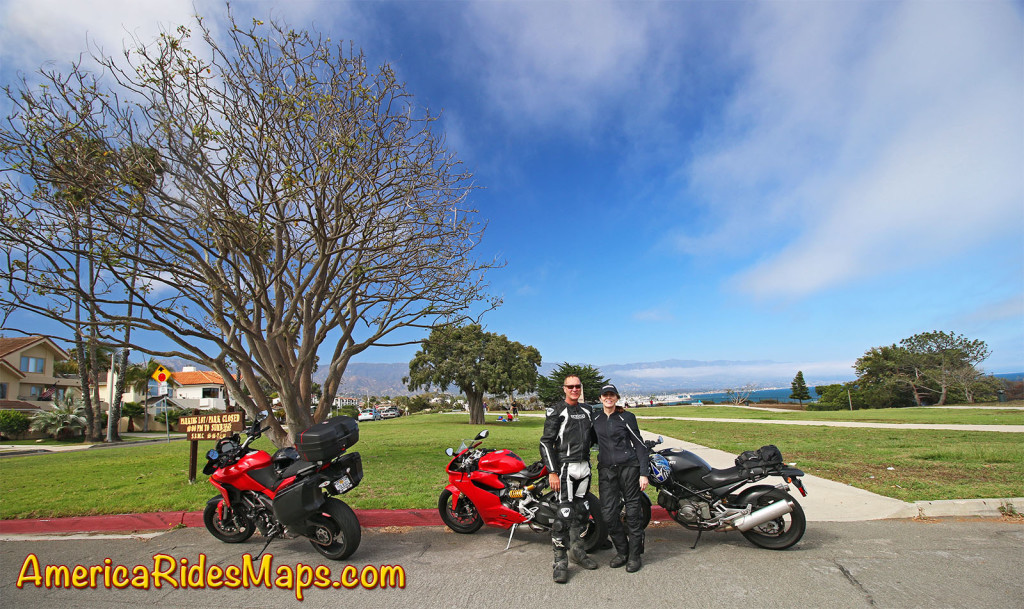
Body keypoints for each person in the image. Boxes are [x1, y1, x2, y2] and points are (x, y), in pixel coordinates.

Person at [539, 374, 598, 583]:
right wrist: (552, 471)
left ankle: (578, 552)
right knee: (564, 514)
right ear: (564, 389)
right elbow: (546, 442)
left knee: (582, 512)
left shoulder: (588, 410)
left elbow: (596, 435)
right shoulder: (556, 411)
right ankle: (560, 562)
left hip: (584, 466)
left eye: (577, 386)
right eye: (570, 386)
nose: (574, 389)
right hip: (565, 468)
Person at [592, 383, 649, 573]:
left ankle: (634, 555)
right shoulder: (596, 418)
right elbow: (587, 440)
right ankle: (622, 551)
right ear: (600, 399)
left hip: (629, 468)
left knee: (633, 513)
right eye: (605, 395)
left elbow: (639, 445)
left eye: (612, 395)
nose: (608, 398)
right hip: (607, 470)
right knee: (608, 514)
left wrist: (643, 473)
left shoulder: (627, 417)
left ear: (616, 398)